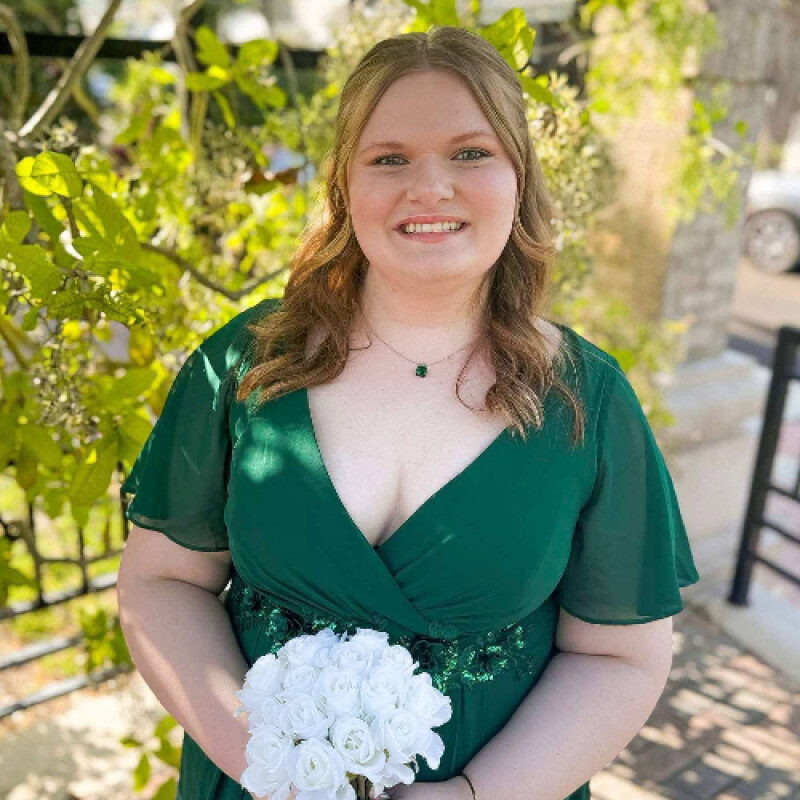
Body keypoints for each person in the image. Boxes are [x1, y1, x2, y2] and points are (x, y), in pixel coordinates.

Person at [116, 25, 700, 800]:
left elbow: (619, 657)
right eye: (389, 158)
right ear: (344, 185)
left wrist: (473, 797)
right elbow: (162, 583)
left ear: (519, 176)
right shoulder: (242, 366)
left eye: (470, 153)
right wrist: (269, 765)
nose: (429, 187)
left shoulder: (586, 403)